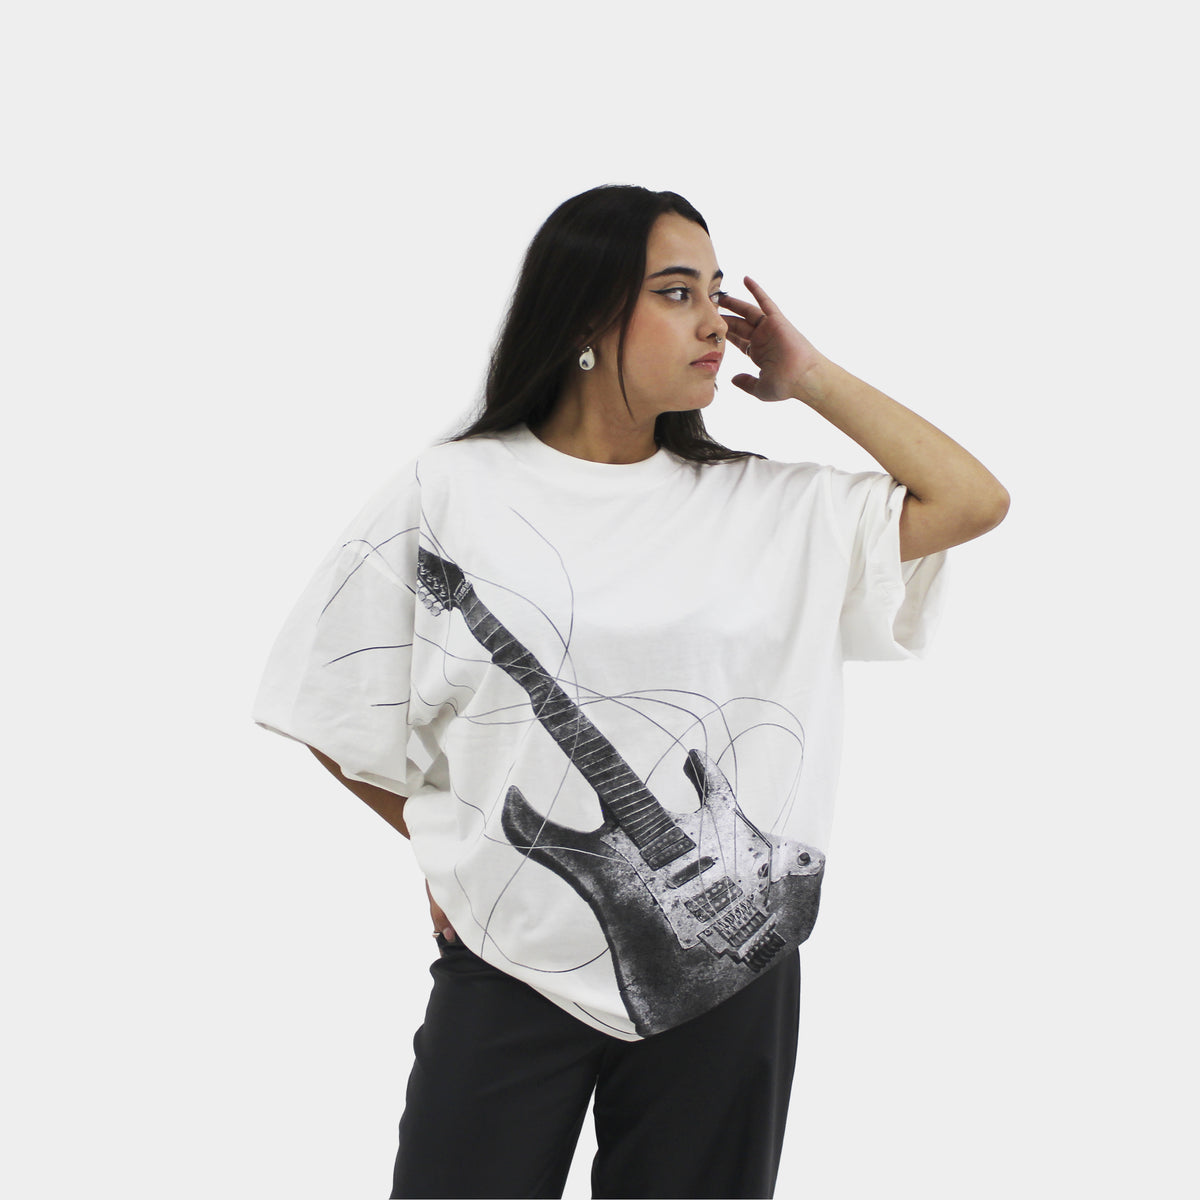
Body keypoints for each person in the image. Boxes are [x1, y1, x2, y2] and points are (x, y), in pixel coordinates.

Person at [253, 184, 1008, 1199]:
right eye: (676, 292)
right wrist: (448, 851)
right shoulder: (453, 490)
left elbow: (973, 499)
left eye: (716, 292)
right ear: (584, 315)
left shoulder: (770, 507)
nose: (715, 323)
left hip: (732, 966)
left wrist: (811, 378)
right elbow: (333, 705)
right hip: (511, 955)